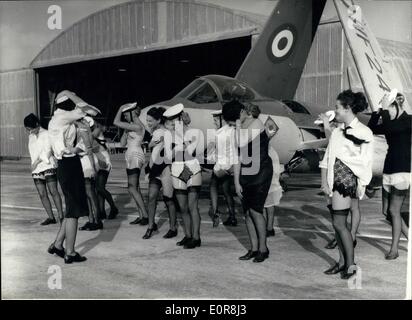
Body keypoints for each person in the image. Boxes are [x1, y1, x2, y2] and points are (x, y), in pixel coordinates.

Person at [320, 90, 374, 279]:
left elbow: (365, 162)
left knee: (339, 224)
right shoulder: (337, 131)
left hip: (345, 181)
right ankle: (342, 262)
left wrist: (360, 184)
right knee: (338, 225)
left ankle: (350, 264)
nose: (335, 111)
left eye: (338, 107)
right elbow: (328, 157)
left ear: (348, 108)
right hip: (333, 182)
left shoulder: (364, 132)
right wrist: (324, 182)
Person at [47, 90, 100, 264]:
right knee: (74, 211)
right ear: (69, 104)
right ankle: (70, 252)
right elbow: (90, 109)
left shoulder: (58, 118)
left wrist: (76, 149)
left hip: (67, 164)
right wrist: (70, 93)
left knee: (72, 207)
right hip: (69, 165)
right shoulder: (64, 117)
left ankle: (58, 244)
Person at [367, 90, 411, 260]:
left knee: (394, 210)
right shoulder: (390, 121)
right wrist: (378, 110)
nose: (388, 114)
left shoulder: (408, 120)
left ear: (396, 106)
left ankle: (394, 249)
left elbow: (391, 128)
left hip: (402, 170)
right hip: (389, 168)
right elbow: (372, 127)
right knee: (387, 211)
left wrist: (385, 112)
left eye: (389, 110)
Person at [232, 101, 275, 263]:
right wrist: (236, 182)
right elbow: (238, 157)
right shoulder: (242, 129)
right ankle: (254, 248)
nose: (239, 116)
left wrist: (237, 124)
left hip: (261, 172)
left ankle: (263, 249)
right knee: (247, 213)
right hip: (247, 173)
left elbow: (241, 143)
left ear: (248, 113)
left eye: (241, 113)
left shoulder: (257, 123)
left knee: (256, 211)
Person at [317, 112, 361, 250]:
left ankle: (351, 235)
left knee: (353, 207)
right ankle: (341, 237)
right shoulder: (333, 132)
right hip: (334, 177)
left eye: (322, 126)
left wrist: (325, 123)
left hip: (348, 176)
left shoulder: (340, 132)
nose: (320, 129)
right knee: (336, 211)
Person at [163, 103, 203, 249]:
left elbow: (195, 153)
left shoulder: (195, 132)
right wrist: (180, 146)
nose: (173, 124)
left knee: (193, 206)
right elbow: (168, 158)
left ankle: (196, 238)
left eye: (175, 120)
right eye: (171, 121)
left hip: (192, 168)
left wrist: (183, 141)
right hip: (177, 170)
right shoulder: (168, 136)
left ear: (181, 118)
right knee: (183, 207)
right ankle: (188, 235)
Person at [142, 106, 177, 239]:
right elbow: (153, 152)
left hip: (165, 168)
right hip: (155, 168)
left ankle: (173, 228)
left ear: (158, 120)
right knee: (151, 197)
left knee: (168, 199)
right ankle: (151, 226)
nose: (148, 123)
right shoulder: (157, 132)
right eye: (147, 121)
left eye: (150, 121)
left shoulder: (165, 132)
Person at [24, 113, 63, 225]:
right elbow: (32, 152)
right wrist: (34, 163)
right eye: (28, 130)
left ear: (37, 124)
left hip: (47, 164)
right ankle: (51, 217)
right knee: (42, 194)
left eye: (31, 129)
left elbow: (48, 150)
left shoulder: (46, 133)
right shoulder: (30, 137)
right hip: (36, 168)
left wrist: (36, 162)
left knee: (53, 191)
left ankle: (61, 216)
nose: (30, 131)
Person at [113, 103, 148, 226]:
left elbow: (115, 121)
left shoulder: (138, 126)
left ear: (132, 113)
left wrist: (120, 107)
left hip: (135, 155)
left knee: (131, 187)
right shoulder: (132, 126)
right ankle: (141, 215)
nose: (124, 117)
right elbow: (122, 143)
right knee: (135, 187)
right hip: (130, 155)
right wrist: (126, 129)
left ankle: (146, 215)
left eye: (125, 114)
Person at [208, 110, 237, 228]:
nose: (214, 123)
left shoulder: (220, 132)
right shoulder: (233, 130)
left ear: (222, 119)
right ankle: (232, 216)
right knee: (227, 192)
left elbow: (217, 152)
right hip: (228, 167)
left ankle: (215, 214)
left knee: (213, 187)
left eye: (215, 120)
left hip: (222, 167)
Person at [76, 116, 103, 231]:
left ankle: (97, 221)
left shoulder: (84, 132)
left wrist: (93, 167)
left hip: (87, 163)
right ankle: (91, 220)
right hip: (83, 163)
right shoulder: (82, 132)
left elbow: (89, 151)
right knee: (87, 194)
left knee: (90, 193)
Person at [91, 121, 119, 220]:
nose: (92, 130)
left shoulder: (95, 139)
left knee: (100, 188)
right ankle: (102, 212)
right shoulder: (102, 139)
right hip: (101, 163)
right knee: (100, 189)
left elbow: (97, 151)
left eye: (94, 128)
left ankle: (113, 208)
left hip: (103, 164)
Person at [263, 145, 283, 237]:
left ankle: (267, 228)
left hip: (267, 180)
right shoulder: (271, 150)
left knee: (266, 205)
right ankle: (269, 228)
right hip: (270, 180)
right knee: (268, 205)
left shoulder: (268, 150)